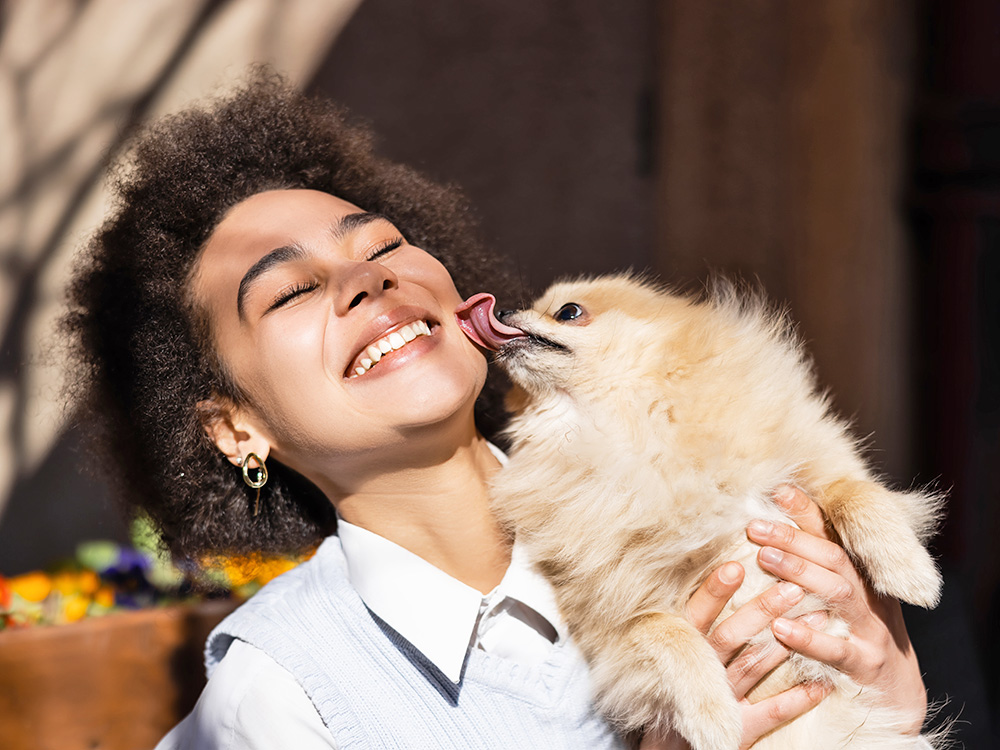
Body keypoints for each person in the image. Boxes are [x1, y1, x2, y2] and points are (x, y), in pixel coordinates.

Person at [65, 71, 933, 749]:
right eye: (291, 292)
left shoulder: (673, 487)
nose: (368, 278)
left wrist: (890, 689)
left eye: (385, 246)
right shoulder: (280, 697)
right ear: (233, 428)